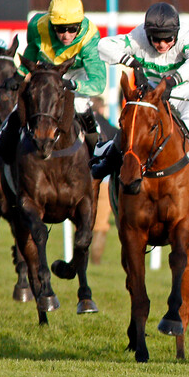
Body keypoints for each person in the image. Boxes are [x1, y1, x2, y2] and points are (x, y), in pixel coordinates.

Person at [91, 2, 189, 198]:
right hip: (156, 92)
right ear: (148, 34)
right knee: (135, 126)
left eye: (167, 39)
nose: (162, 44)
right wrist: (132, 63)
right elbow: (103, 46)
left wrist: (173, 81)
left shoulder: (185, 36)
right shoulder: (138, 37)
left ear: (176, 33)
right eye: (156, 39)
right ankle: (108, 163)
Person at [0, 0, 106, 165]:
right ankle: (1, 140)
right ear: (51, 24)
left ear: (80, 25)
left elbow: (99, 84)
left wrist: (71, 84)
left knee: (79, 104)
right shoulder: (36, 25)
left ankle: (97, 150)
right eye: (60, 28)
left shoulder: (89, 38)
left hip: (75, 73)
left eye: (72, 29)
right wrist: (18, 76)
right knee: (28, 100)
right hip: (49, 71)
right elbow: (32, 51)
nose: (66, 35)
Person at [89, 96, 118, 265]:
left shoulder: (79, 123)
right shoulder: (110, 128)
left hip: (82, 180)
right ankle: (95, 262)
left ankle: (81, 260)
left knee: (82, 224)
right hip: (104, 182)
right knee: (99, 225)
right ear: (101, 108)